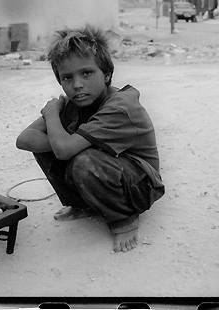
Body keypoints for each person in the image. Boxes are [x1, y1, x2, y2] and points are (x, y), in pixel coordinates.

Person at [16, 25, 165, 253]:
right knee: (61, 147)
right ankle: (82, 204)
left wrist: (53, 116)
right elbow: (25, 139)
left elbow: (65, 150)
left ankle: (124, 220)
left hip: (140, 185)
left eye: (86, 73)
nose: (77, 84)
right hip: (110, 169)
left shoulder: (120, 107)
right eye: (67, 77)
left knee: (82, 159)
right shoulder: (74, 101)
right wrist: (60, 141)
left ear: (106, 74)